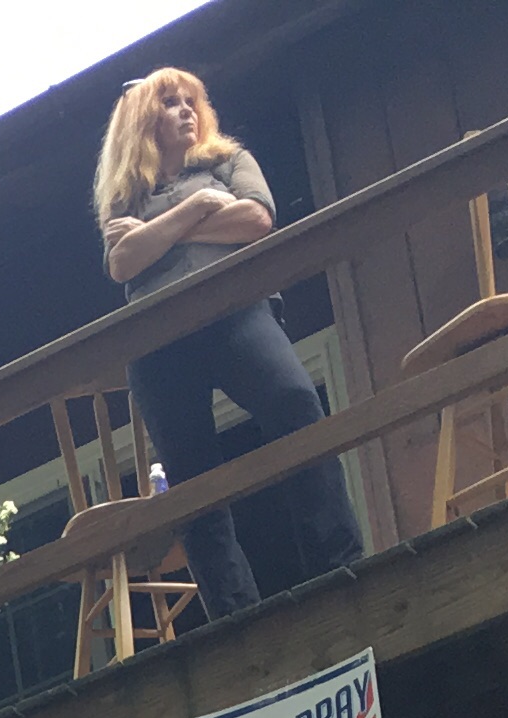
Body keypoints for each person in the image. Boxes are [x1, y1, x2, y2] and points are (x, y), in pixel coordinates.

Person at [93, 66, 366, 628]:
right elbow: (121, 263)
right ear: (144, 121)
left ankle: (339, 566)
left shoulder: (229, 162)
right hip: (159, 342)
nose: (186, 111)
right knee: (193, 479)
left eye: (191, 100)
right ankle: (233, 615)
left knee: (296, 406)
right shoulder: (124, 192)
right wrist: (199, 210)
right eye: (170, 103)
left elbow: (257, 219)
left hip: (238, 311)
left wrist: (160, 233)